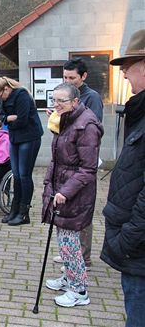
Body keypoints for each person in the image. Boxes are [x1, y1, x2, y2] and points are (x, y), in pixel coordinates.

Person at [42, 82, 103, 308]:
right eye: (54, 100)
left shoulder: (87, 125)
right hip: (61, 189)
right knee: (64, 239)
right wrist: (50, 183)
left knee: (69, 242)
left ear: (75, 101)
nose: (56, 105)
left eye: (61, 101)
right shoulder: (65, 119)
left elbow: (88, 169)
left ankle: (79, 290)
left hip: (75, 193)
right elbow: (59, 156)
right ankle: (69, 277)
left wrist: (65, 192)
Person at [101, 29, 145, 327]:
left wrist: (125, 239)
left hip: (137, 249)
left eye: (128, 66)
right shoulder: (139, 112)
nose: (125, 75)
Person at [52, 58, 104, 269]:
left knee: (82, 211)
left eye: (72, 77)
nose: (68, 81)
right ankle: (71, 252)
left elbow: (91, 130)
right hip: (68, 165)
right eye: (65, 77)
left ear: (83, 77)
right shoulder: (64, 99)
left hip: (82, 163)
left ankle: (83, 256)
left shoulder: (92, 98)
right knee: (69, 214)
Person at [0, 76, 43, 225]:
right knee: (16, 175)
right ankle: (14, 209)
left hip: (29, 138)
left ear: (6, 89)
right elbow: (1, 118)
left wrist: (9, 120)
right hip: (14, 139)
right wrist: (8, 119)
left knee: (24, 175)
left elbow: (22, 120)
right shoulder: (2, 99)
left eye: (0, 95)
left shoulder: (22, 95)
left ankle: (23, 212)